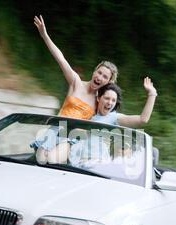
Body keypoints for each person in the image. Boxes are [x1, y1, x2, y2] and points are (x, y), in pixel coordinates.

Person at [33, 15, 119, 163]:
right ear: (94, 71)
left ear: (108, 81)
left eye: (104, 77)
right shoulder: (75, 82)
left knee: (52, 160)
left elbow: (108, 115)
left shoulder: (100, 100)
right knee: (40, 159)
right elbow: (61, 59)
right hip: (54, 131)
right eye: (99, 72)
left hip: (71, 137)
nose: (100, 77)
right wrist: (44, 35)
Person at [91, 77, 157, 127]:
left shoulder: (114, 118)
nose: (110, 103)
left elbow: (142, 119)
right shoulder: (89, 109)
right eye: (107, 98)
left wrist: (152, 93)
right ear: (98, 98)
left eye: (113, 100)